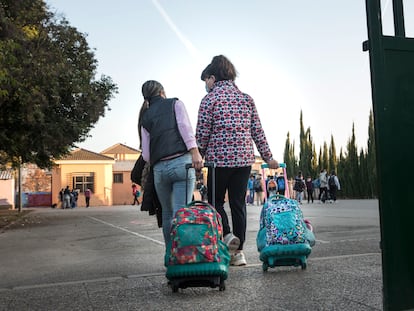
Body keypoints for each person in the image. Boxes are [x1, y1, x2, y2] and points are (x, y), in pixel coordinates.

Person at [196, 55, 279, 266]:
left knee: (215, 202)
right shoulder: (246, 99)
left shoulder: (209, 100)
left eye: (206, 80)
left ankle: (226, 236)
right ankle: (239, 252)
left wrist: (198, 158)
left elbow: (202, 134)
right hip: (243, 161)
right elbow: (257, 131)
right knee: (238, 204)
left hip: (219, 162)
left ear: (212, 77)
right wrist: (268, 157)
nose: (206, 85)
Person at [139, 80, 203, 250]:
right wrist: (195, 152)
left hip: (159, 170)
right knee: (181, 212)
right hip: (181, 164)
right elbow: (185, 129)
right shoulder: (175, 103)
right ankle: (183, 254)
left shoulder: (145, 117)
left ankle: (170, 254)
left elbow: (146, 155)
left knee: (167, 214)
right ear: (162, 92)